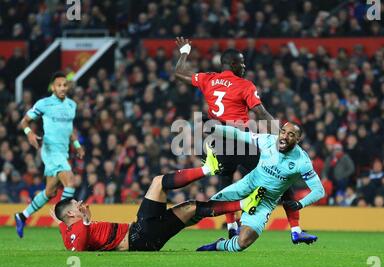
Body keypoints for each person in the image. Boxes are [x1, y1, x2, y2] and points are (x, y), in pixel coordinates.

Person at [173, 37, 317, 244]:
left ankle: (232, 227)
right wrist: (281, 134)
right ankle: (295, 230)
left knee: (226, 183)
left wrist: (185, 51)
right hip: (241, 141)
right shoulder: (244, 85)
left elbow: (178, 73)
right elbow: (261, 113)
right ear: (232, 64)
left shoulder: (208, 79)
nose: (244, 66)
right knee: (281, 179)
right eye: (241, 63)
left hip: (218, 142)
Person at [50, 146, 264, 251]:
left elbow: (64, 227)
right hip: (138, 236)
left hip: (144, 238)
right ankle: (210, 167)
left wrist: (58, 216)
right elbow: (77, 248)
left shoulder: (67, 227)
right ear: (71, 213)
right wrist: (86, 221)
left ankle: (245, 204)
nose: (80, 205)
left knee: (190, 208)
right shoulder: (77, 231)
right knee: (158, 182)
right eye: (76, 205)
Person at [197, 122, 325, 252]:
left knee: (241, 243)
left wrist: (300, 204)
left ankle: (219, 245)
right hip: (246, 186)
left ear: (298, 140)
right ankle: (178, 224)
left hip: (264, 201)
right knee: (204, 208)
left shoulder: (302, 161)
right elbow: (238, 134)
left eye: (291, 135)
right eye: (283, 131)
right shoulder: (267, 140)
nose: (285, 136)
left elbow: (319, 191)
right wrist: (215, 128)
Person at [14, 71, 85, 238]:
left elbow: (69, 130)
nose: (62, 88)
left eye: (64, 85)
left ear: (67, 87)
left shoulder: (71, 105)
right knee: (70, 182)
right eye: (59, 85)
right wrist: (30, 133)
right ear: (53, 87)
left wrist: (77, 145)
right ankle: (66, 223)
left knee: (50, 192)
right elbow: (24, 121)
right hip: (50, 150)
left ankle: (22, 215)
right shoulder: (44, 104)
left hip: (63, 151)